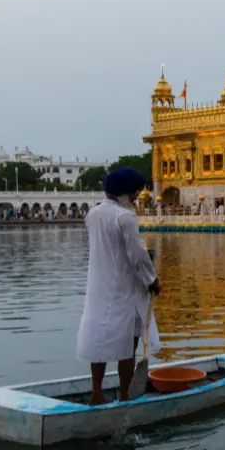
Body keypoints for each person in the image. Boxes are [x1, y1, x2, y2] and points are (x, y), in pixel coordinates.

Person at [76, 168, 160, 405]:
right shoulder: (125, 217)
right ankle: (124, 396)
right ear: (123, 193)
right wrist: (152, 280)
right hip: (125, 288)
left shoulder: (92, 214)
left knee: (99, 340)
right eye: (134, 193)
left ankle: (96, 393)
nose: (136, 197)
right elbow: (138, 254)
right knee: (129, 344)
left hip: (99, 286)